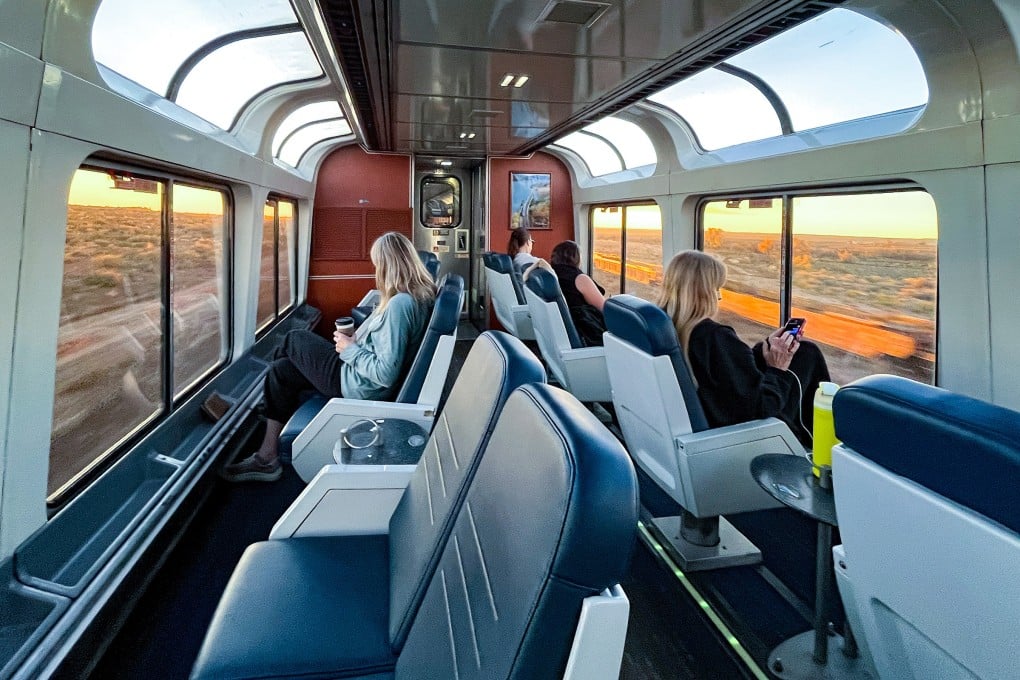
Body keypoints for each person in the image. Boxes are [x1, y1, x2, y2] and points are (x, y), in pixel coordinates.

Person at [223, 232, 436, 482]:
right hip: (356, 373)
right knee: (281, 370)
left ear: (388, 264)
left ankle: (259, 411)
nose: (376, 270)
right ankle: (267, 457)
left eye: (377, 264)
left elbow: (385, 374)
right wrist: (359, 340)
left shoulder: (401, 305)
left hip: (357, 385)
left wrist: (349, 348)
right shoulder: (417, 295)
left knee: (294, 339)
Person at [657, 250, 830, 447]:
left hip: (718, 411)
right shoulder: (714, 337)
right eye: (716, 289)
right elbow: (763, 405)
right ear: (703, 293)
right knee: (809, 355)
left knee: (804, 352)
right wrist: (777, 369)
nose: (718, 297)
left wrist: (763, 350)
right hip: (746, 430)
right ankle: (820, 447)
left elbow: (730, 371)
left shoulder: (669, 328)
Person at [550, 240, 607, 347]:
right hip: (588, 336)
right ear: (575, 258)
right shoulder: (579, 278)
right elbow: (604, 309)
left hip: (562, 335)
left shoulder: (551, 275)